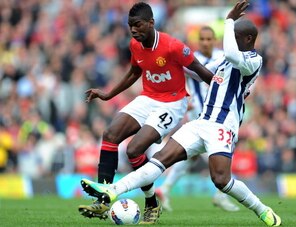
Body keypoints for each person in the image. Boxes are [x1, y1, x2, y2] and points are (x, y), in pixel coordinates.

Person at [80, 1, 282, 226]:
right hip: (201, 121)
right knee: (159, 161)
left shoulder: (253, 60)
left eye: (233, 37)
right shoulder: (225, 59)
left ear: (247, 40)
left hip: (223, 126)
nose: (227, 42)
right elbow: (200, 67)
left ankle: (262, 209)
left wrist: (228, 21)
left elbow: (233, 56)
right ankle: (113, 190)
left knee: (221, 180)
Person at [77, 2, 214, 224]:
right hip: (148, 98)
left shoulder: (172, 46)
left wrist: (228, 92)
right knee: (110, 134)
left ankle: (150, 201)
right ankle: (103, 199)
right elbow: (134, 72)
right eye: (130, 25)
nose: (133, 30)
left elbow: (201, 71)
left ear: (151, 23)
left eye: (138, 25)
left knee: (134, 149)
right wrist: (108, 94)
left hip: (172, 104)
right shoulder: (135, 45)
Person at [155, 26, 240, 212]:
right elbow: (177, 78)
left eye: (209, 39)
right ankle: (221, 195)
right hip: (200, 115)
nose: (206, 42)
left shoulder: (223, 56)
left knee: (190, 157)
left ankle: (165, 189)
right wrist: (184, 97)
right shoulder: (191, 59)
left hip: (220, 114)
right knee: (222, 154)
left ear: (215, 40)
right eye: (203, 39)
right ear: (198, 41)